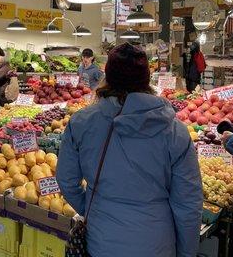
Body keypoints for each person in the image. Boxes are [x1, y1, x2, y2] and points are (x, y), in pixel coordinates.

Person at [57, 43, 202, 257]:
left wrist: (93, 207)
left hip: (102, 241)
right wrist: (187, 253)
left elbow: (67, 180)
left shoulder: (81, 123)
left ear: (108, 77)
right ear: (146, 79)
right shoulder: (175, 131)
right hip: (157, 244)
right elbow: (188, 204)